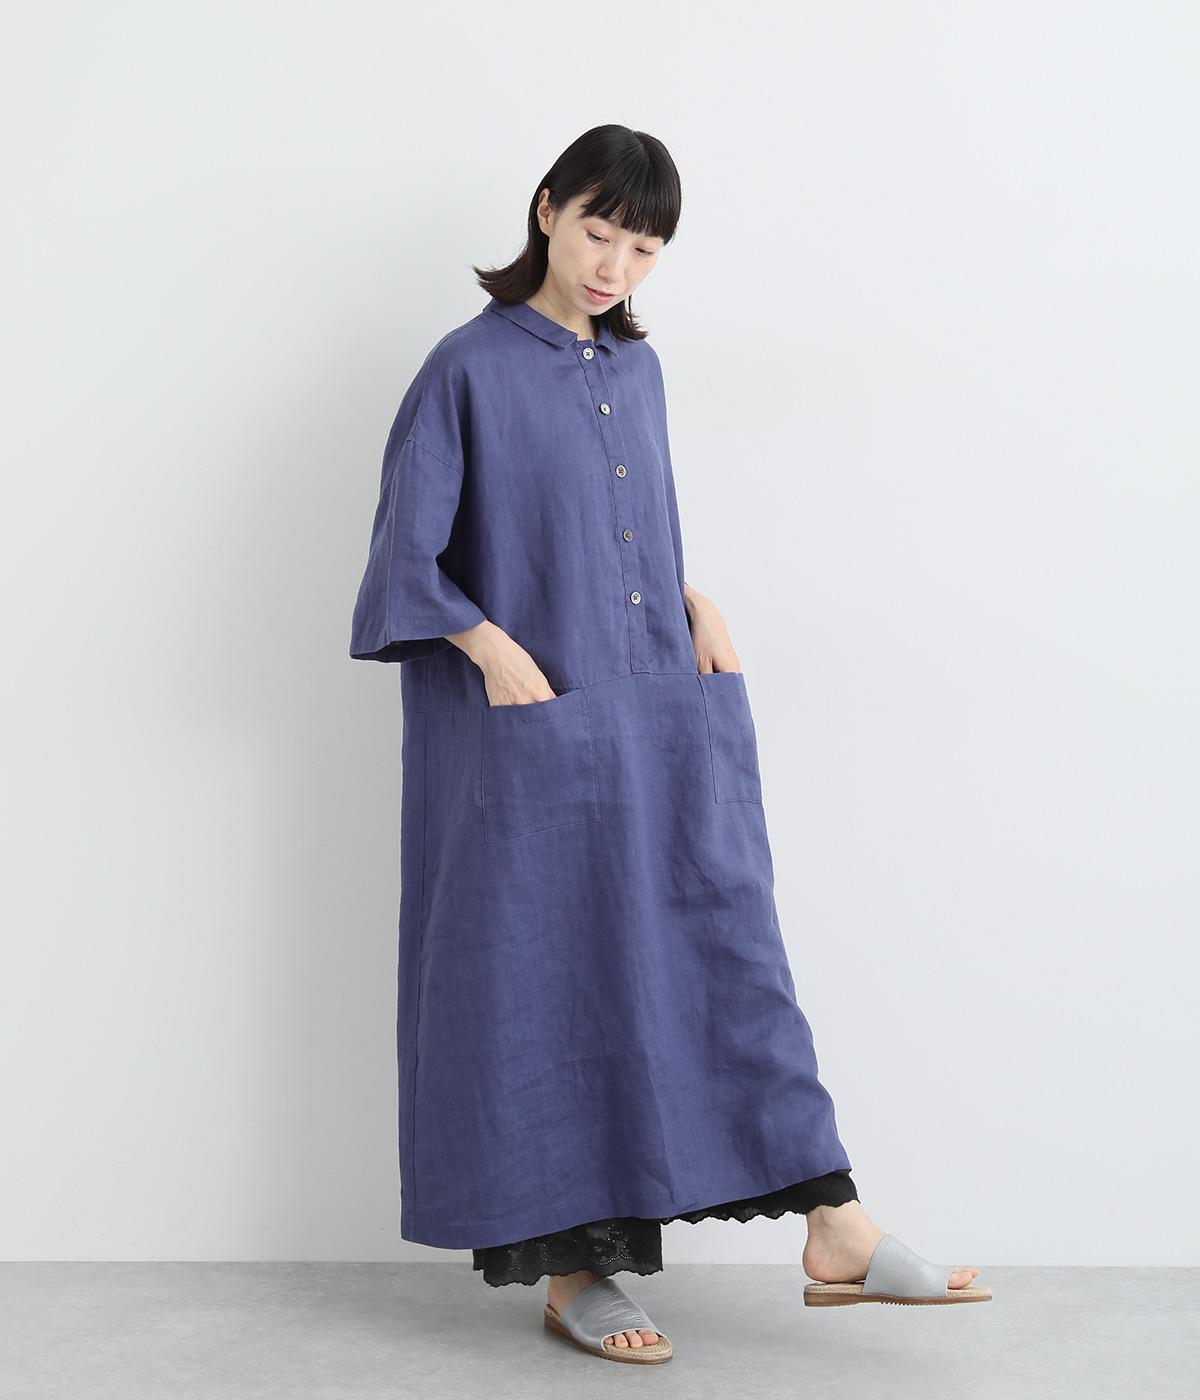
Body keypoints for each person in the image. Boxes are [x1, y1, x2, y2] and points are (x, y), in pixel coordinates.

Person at [349, 124, 988, 1364]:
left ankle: (838, 1225)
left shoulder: (637, 371)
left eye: (643, 249)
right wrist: (486, 644)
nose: (614, 267)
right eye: (599, 232)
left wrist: (697, 607)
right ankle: (574, 1270)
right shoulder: (465, 367)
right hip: (525, 730)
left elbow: (630, 530)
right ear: (547, 209)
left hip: (656, 701)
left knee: (720, 943)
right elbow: (400, 562)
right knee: (545, 973)